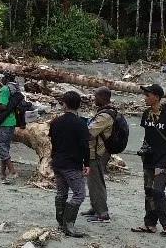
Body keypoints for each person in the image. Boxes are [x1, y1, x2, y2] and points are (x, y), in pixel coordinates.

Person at [131, 83, 166, 236]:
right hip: (149, 158)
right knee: (148, 191)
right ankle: (150, 224)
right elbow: (148, 135)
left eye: (148, 95)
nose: (144, 98)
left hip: (163, 159)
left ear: (157, 97)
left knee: (158, 191)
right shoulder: (146, 114)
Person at [49, 90, 90, 238]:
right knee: (79, 194)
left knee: (61, 192)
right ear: (78, 105)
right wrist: (87, 163)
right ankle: (68, 224)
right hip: (72, 163)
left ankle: (61, 222)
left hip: (57, 161)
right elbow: (85, 146)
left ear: (64, 105)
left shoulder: (55, 122)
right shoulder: (80, 124)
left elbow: (53, 142)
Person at [83, 86, 114, 223]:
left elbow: (90, 133)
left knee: (96, 182)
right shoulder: (105, 112)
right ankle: (96, 207)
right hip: (98, 151)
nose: (93, 99)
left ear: (102, 97)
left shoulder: (105, 116)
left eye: (95, 96)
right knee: (93, 181)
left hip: (98, 152)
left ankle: (102, 213)